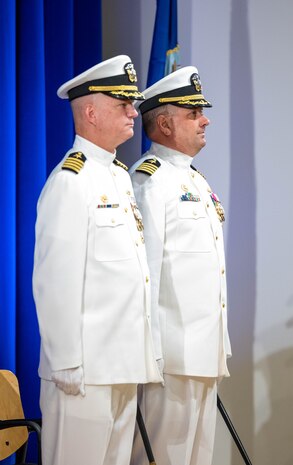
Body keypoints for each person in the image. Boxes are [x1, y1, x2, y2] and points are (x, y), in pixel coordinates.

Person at [32, 55, 162, 465]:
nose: (132, 111)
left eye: (132, 102)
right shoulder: (71, 182)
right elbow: (55, 281)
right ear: (89, 111)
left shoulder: (120, 178)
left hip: (123, 365)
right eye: (121, 103)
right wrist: (65, 361)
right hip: (84, 372)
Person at [129, 66, 232, 465]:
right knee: (162, 456)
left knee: (197, 458)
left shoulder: (195, 181)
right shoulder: (149, 182)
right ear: (166, 124)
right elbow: (146, 274)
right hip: (169, 357)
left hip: (204, 353)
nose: (205, 119)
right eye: (193, 114)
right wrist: (150, 354)